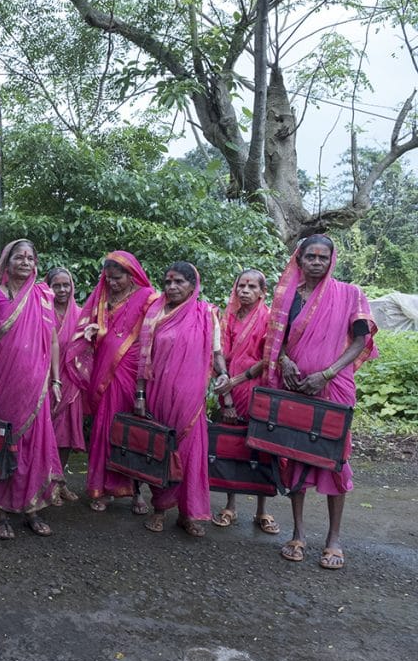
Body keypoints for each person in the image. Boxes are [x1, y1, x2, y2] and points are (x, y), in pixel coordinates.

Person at [263, 235, 377, 570]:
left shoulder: (349, 294)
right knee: (294, 456)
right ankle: (298, 535)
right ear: (298, 261)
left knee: (334, 459)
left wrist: (327, 373)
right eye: (309, 256)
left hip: (334, 387)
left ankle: (333, 540)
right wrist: (284, 362)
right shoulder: (287, 299)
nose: (316, 262)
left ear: (331, 260)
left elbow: (360, 340)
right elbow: (276, 343)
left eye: (322, 257)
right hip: (295, 386)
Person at [0, 239, 64, 539]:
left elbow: (52, 340)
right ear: (7, 262)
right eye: (18, 257)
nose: (25, 262)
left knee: (34, 448)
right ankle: (0, 513)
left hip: (35, 387)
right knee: (4, 448)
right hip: (2, 385)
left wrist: (55, 380)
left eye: (30, 258)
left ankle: (32, 509)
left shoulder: (43, 296)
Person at [134, 262, 229, 537]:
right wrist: (139, 394)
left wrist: (223, 374)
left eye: (179, 282)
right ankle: (161, 508)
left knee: (189, 454)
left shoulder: (206, 313)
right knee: (161, 450)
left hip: (190, 398)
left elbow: (217, 351)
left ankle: (188, 513)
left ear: (193, 285)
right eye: (168, 282)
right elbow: (143, 358)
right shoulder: (155, 312)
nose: (172, 287)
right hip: (157, 393)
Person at [66, 252, 158, 514]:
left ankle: (135, 491)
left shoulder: (147, 297)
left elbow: (152, 337)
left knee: (131, 433)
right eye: (108, 278)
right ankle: (103, 489)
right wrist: (91, 333)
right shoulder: (102, 297)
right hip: (104, 370)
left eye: (117, 278)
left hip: (131, 372)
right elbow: (91, 328)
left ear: (131, 276)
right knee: (105, 430)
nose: (112, 283)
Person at [211, 269, 280, 534]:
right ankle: (230, 506)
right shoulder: (227, 317)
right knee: (231, 447)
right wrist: (226, 396)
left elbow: (270, 358)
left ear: (263, 292)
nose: (245, 291)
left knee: (260, 448)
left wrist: (237, 380)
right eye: (241, 285)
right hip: (229, 391)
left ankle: (262, 510)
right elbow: (219, 356)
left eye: (252, 287)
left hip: (257, 390)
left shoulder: (270, 318)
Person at [45, 267, 84, 505]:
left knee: (66, 434)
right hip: (45, 380)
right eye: (56, 285)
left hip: (71, 382)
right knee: (45, 433)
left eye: (66, 285)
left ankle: (60, 482)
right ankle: (45, 483)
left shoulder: (80, 315)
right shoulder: (40, 312)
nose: (61, 290)